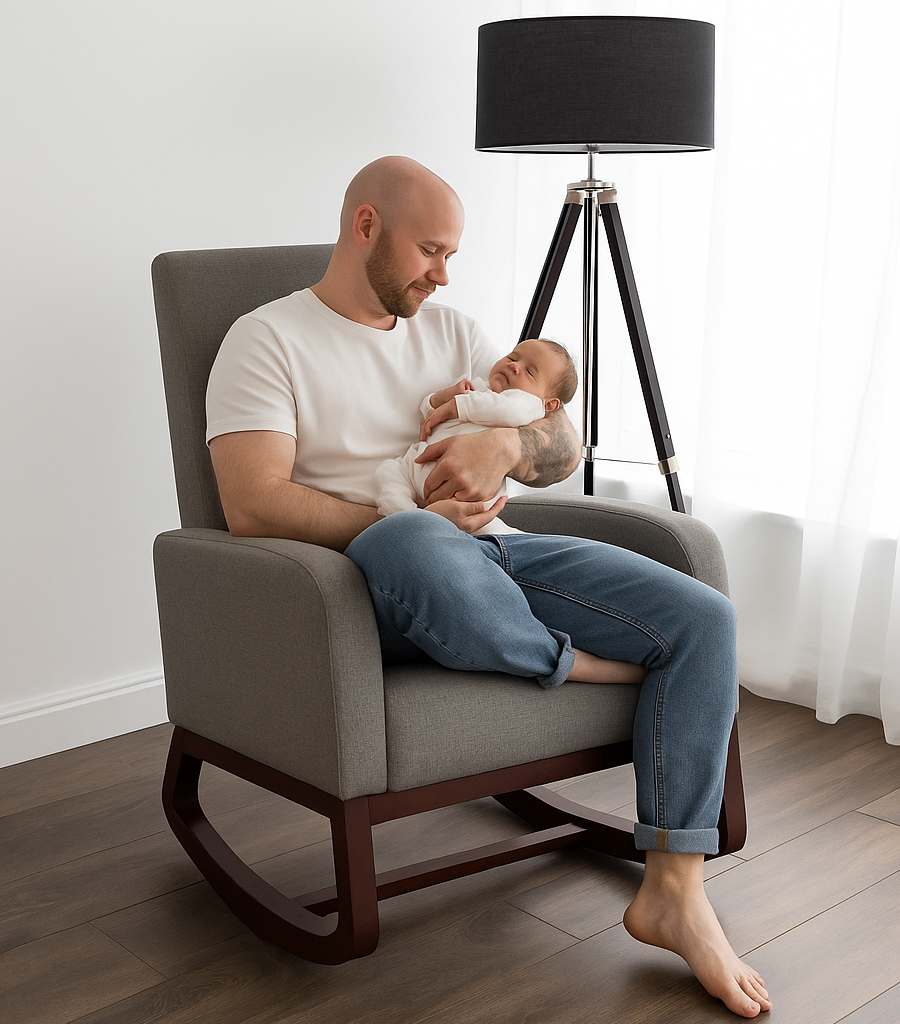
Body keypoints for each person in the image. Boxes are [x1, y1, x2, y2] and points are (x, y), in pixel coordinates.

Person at [205, 155, 771, 1017]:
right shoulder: (267, 338)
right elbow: (251, 503)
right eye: (430, 250)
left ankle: (673, 890)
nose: (443, 273)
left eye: (451, 255)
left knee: (703, 619)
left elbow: (559, 442)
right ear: (365, 227)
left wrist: (502, 450)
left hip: (503, 551)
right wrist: (411, 525)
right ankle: (570, 663)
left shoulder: (457, 331)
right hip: (378, 580)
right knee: (413, 545)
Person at [375, 337, 578, 536]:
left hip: (465, 496)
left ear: (549, 405)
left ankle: (414, 526)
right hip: (415, 465)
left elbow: (506, 409)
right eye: (512, 357)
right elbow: (429, 415)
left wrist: (458, 405)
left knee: (482, 526)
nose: (515, 366)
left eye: (530, 372)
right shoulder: (477, 386)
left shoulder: (529, 405)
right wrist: (439, 399)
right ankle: (404, 519)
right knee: (388, 472)